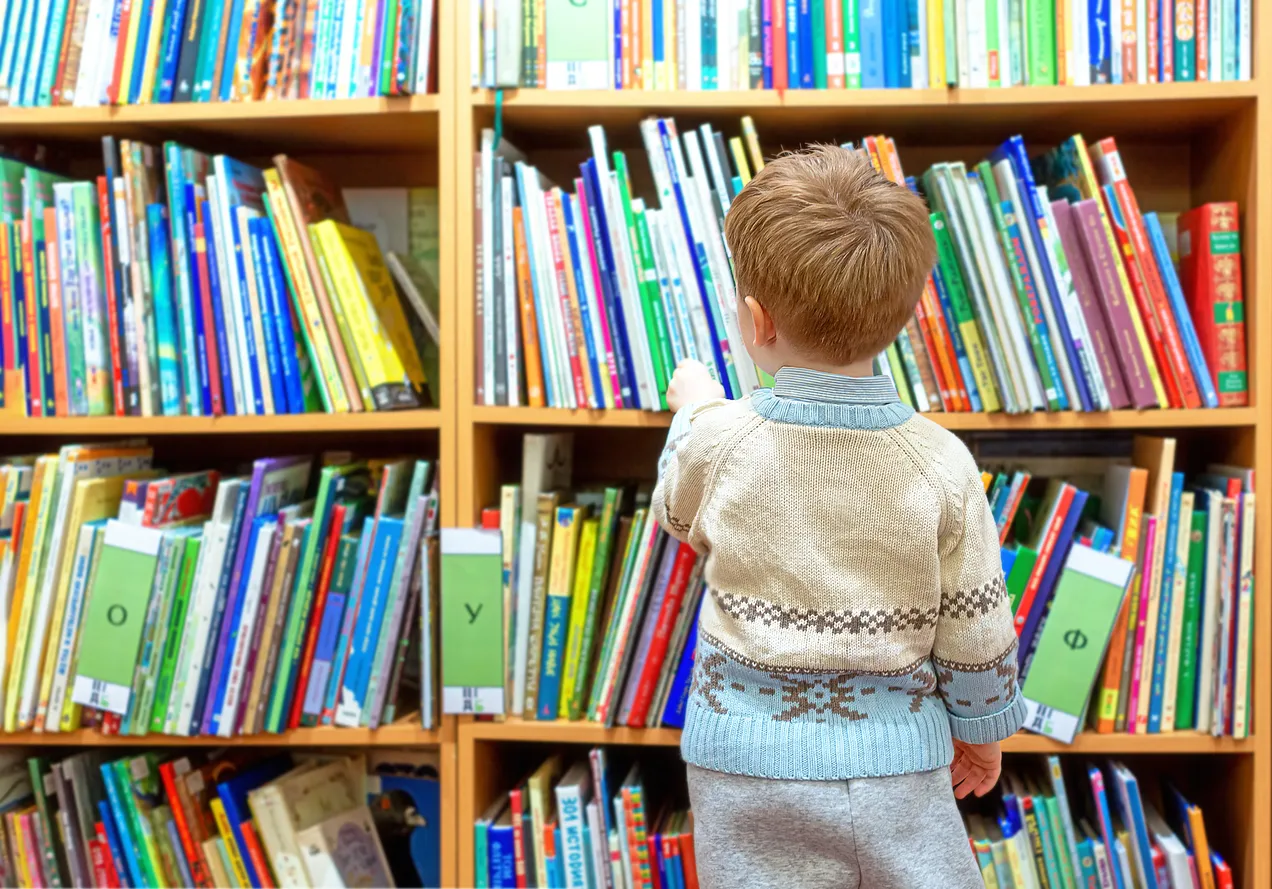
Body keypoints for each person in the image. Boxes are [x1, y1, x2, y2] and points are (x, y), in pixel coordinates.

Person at [651, 145, 1025, 889]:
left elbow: (675, 509)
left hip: (744, 767)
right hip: (899, 763)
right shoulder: (941, 461)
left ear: (756, 320)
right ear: (903, 317)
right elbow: (977, 626)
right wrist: (983, 733)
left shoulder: (720, 440)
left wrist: (691, 406)